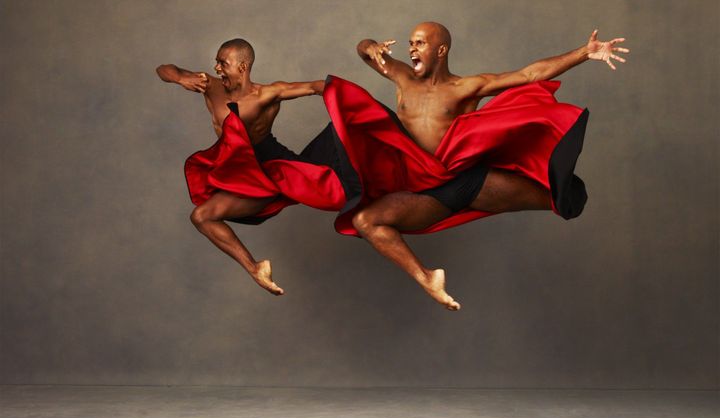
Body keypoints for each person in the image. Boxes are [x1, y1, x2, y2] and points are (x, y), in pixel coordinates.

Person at [337, 22, 629, 310]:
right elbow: (364, 51)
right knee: (366, 221)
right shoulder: (402, 77)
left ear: (441, 50)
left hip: (466, 179)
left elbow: (529, 74)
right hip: (427, 191)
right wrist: (371, 45)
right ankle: (427, 277)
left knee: (564, 198)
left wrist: (584, 52)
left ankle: (567, 188)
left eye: (420, 43)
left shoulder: (465, 87)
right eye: (411, 43)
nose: (412, 48)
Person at [157, 38, 354, 296]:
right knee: (202, 216)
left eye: (223, 63)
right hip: (241, 171)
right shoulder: (210, 86)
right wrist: (180, 78)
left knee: (338, 185)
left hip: (271, 168)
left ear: (242, 67)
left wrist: (350, 98)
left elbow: (315, 86)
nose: (216, 68)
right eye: (216, 62)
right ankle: (255, 268)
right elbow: (164, 68)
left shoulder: (267, 94)